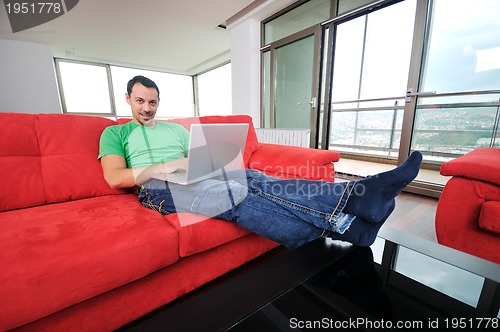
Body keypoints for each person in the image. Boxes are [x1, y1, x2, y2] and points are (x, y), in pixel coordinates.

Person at [99, 75, 423, 249]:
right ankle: (348, 218)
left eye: (152, 101)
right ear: (128, 99)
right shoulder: (115, 133)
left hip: (191, 175)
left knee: (256, 179)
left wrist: (210, 161)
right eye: (140, 101)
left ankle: (351, 204)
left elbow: (194, 156)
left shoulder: (174, 128)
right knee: (235, 198)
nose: (147, 108)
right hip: (155, 188)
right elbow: (116, 178)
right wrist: (161, 168)